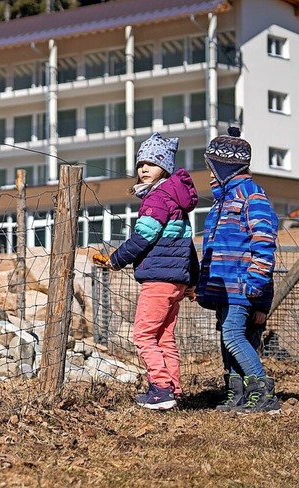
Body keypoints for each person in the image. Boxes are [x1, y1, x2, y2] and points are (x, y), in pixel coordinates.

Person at [106, 132, 199, 410]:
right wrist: (193, 280)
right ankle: (174, 388)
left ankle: (160, 389)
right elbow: (187, 245)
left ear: (166, 167)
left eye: (152, 162)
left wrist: (116, 259)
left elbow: (143, 237)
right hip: (175, 281)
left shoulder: (158, 198)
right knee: (164, 337)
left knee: (143, 335)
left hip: (158, 279)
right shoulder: (176, 201)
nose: (144, 168)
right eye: (140, 163)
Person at [195, 127, 280, 414]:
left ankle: (262, 390)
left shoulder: (251, 196)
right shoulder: (221, 203)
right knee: (226, 337)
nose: (209, 175)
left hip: (241, 286)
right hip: (223, 287)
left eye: (212, 168)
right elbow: (212, 249)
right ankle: (238, 392)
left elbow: (264, 242)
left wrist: (255, 282)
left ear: (225, 167)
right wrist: (203, 284)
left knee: (233, 335)